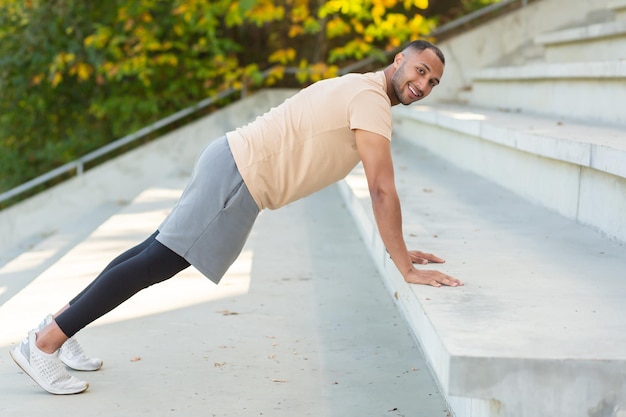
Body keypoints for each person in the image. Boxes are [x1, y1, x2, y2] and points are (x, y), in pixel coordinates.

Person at [10, 39, 463, 395]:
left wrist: (399, 248)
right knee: (157, 262)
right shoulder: (371, 101)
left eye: (433, 82)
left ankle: (59, 328)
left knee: (150, 251)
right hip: (240, 176)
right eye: (421, 71)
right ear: (400, 59)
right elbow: (381, 187)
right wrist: (404, 264)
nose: (422, 85)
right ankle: (44, 343)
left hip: (232, 163)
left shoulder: (362, 87)